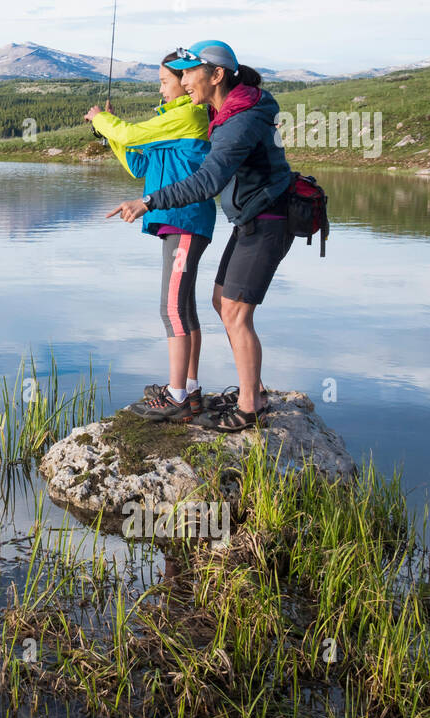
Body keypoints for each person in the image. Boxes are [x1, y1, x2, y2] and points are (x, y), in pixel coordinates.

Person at [106, 40, 294, 431]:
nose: (184, 80)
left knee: (236, 312)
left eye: (190, 72)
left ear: (217, 75)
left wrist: (149, 201)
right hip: (252, 219)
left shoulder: (239, 120)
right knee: (219, 301)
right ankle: (251, 390)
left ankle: (249, 407)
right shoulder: (227, 110)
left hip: (269, 218)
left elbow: (207, 181)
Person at [85, 54, 213, 423]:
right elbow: (138, 163)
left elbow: (128, 133)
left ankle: (176, 397)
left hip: (185, 220)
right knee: (183, 307)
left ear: (183, 81)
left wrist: (102, 120)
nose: (162, 88)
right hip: (178, 222)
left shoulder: (186, 114)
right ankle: (188, 389)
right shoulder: (170, 122)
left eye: (164, 81)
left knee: (171, 308)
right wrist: (107, 133)